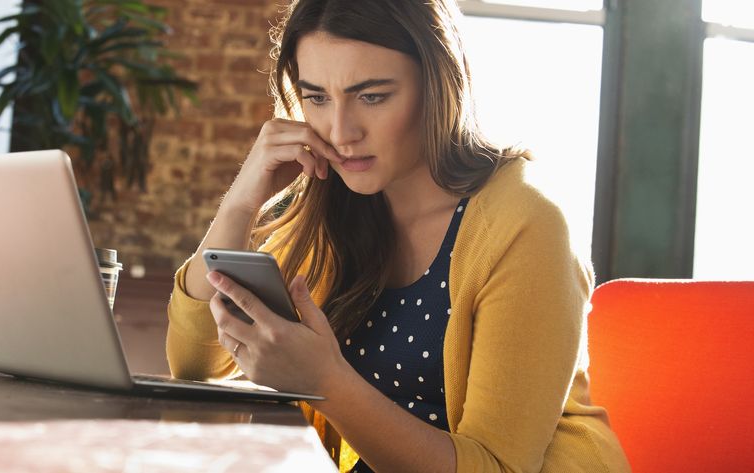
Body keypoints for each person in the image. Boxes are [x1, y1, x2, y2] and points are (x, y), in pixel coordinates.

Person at [166, 0, 631, 471]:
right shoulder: (340, 203)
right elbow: (195, 365)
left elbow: (499, 467)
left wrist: (325, 381)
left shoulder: (526, 223)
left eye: (372, 96)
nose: (342, 132)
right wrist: (240, 203)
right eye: (317, 98)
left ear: (438, 86)